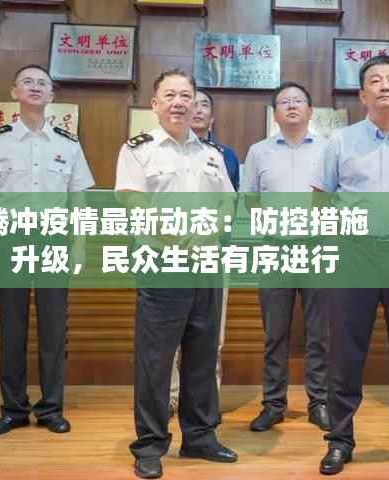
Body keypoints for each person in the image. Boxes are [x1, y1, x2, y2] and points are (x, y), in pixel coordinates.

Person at [115, 69, 238, 479]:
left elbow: (228, 204)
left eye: (186, 95)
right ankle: (150, 445)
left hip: (206, 264)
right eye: (170, 95)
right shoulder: (138, 150)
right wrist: (175, 234)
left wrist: (208, 230)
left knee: (202, 354)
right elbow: (132, 202)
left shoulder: (210, 154)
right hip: (162, 263)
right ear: (155, 104)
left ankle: (200, 437)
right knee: (156, 360)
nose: (179, 102)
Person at [0, 64, 94, 436]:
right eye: (28, 82)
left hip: (54, 239)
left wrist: (80, 246)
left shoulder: (68, 143)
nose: (36, 87)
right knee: (12, 327)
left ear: (51, 95)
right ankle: (13, 409)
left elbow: (79, 199)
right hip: (9, 239)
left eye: (43, 83)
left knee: (54, 328)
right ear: (14, 92)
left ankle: (51, 409)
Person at [312, 55, 389, 475]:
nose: (384, 85)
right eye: (375, 80)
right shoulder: (341, 142)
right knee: (345, 353)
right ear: (362, 94)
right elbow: (320, 198)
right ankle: (340, 440)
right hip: (354, 255)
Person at [241, 82, 330, 433]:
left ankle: (319, 402)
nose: (292, 106)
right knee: (274, 332)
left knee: (320, 333)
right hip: (274, 248)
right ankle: (273, 404)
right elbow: (250, 198)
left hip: (318, 247)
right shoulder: (259, 151)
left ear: (310, 110)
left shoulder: (329, 148)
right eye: (284, 102)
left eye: (298, 101)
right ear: (275, 113)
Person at [169, 89, 240, 421]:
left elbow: (231, 205)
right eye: (192, 103)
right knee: (169, 335)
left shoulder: (224, 156)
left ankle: (205, 401)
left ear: (212, 117)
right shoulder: (158, 150)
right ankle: (170, 398)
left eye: (204, 105)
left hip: (213, 254)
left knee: (213, 335)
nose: (197, 109)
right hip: (169, 254)